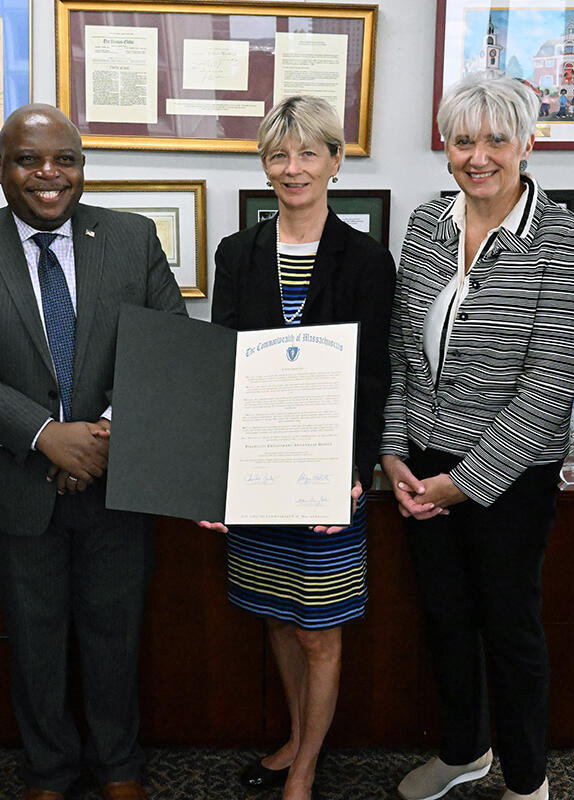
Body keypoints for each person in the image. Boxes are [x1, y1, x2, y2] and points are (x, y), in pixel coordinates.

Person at [0, 104, 186, 800]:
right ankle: (47, 771)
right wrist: (48, 436)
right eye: (28, 159)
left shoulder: (131, 238)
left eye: (63, 158)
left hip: (117, 476)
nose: (48, 174)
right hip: (18, 482)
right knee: (33, 644)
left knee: (115, 636)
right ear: (0, 168)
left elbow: (167, 341)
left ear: (81, 166)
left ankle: (119, 765)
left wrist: (100, 432)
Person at [381, 71, 574, 800]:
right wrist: (393, 454)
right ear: (446, 147)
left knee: (510, 631)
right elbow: (400, 352)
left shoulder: (563, 238)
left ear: (528, 144)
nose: (479, 156)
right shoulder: (424, 224)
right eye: (463, 140)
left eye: (497, 139)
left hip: (510, 474)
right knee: (444, 620)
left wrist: (461, 484)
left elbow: (550, 386)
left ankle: (528, 780)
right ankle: (466, 751)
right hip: (422, 462)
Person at [200, 96, 395, 800]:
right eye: (279, 154)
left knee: (319, 629)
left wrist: (355, 468)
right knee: (278, 616)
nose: (293, 168)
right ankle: (293, 738)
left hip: (325, 475)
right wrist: (213, 476)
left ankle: (306, 766)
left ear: (336, 162)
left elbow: (375, 374)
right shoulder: (237, 252)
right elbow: (223, 366)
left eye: (310, 152)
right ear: (264, 165)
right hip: (257, 472)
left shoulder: (369, 260)